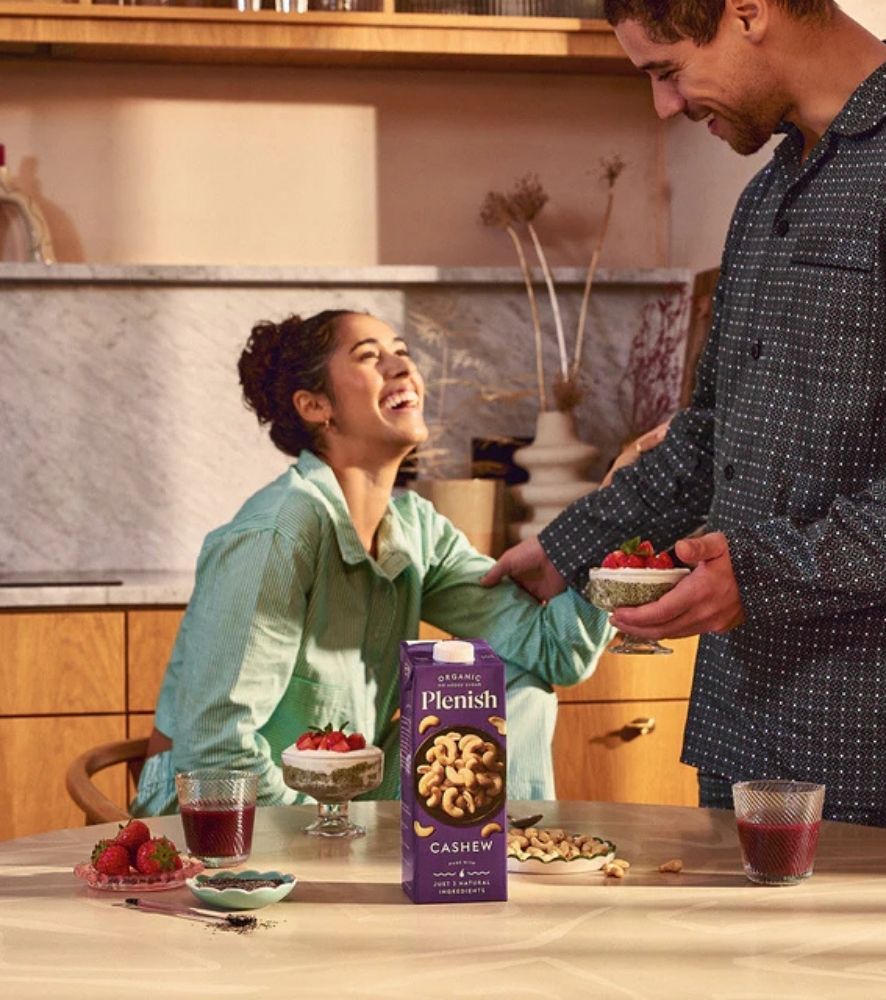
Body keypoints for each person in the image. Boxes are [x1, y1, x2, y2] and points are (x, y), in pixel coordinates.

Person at [483, 0, 886, 837]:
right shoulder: (770, 190)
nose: (665, 105)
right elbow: (713, 428)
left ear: (749, 13)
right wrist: (565, 550)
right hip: (740, 714)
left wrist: (760, 575)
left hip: (872, 731)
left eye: (667, 70)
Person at [131, 310, 610, 815]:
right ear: (316, 406)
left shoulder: (416, 530)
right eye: (369, 356)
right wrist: (329, 840)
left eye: (402, 352)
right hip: (224, 815)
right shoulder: (278, 534)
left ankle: (505, 854)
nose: (401, 366)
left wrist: (607, 521)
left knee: (515, 682)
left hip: (347, 796)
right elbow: (215, 756)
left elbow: (554, 653)